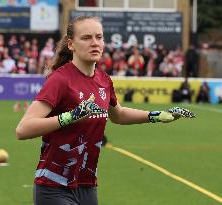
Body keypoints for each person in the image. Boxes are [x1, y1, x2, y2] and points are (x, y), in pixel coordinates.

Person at [15, 16, 195, 205]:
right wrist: (71, 116)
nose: (95, 43)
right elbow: (23, 129)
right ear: (71, 44)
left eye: (99, 37)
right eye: (86, 38)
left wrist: (157, 115)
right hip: (54, 187)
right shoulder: (60, 80)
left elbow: (118, 114)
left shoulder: (103, 80)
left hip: (87, 186)